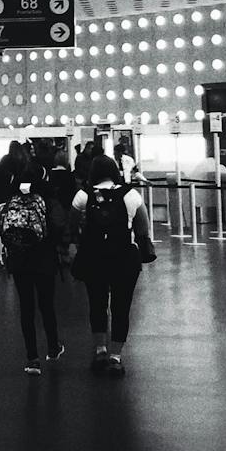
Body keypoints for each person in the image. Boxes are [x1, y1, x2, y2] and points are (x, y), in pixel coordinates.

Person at [71, 155, 154, 378]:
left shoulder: (83, 195)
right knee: (121, 306)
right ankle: (116, 357)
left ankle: (100, 351)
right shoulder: (130, 195)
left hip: (93, 257)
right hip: (124, 258)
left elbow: (72, 227)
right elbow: (143, 229)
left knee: (97, 304)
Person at [2, 163, 65, 376]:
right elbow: (58, 227)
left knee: (26, 307)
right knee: (46, 305)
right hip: (44, 258)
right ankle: (53, 348)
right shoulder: (48, 198)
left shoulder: (13, 198)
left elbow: (0, 227)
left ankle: (32, 359)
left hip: (19, 261)